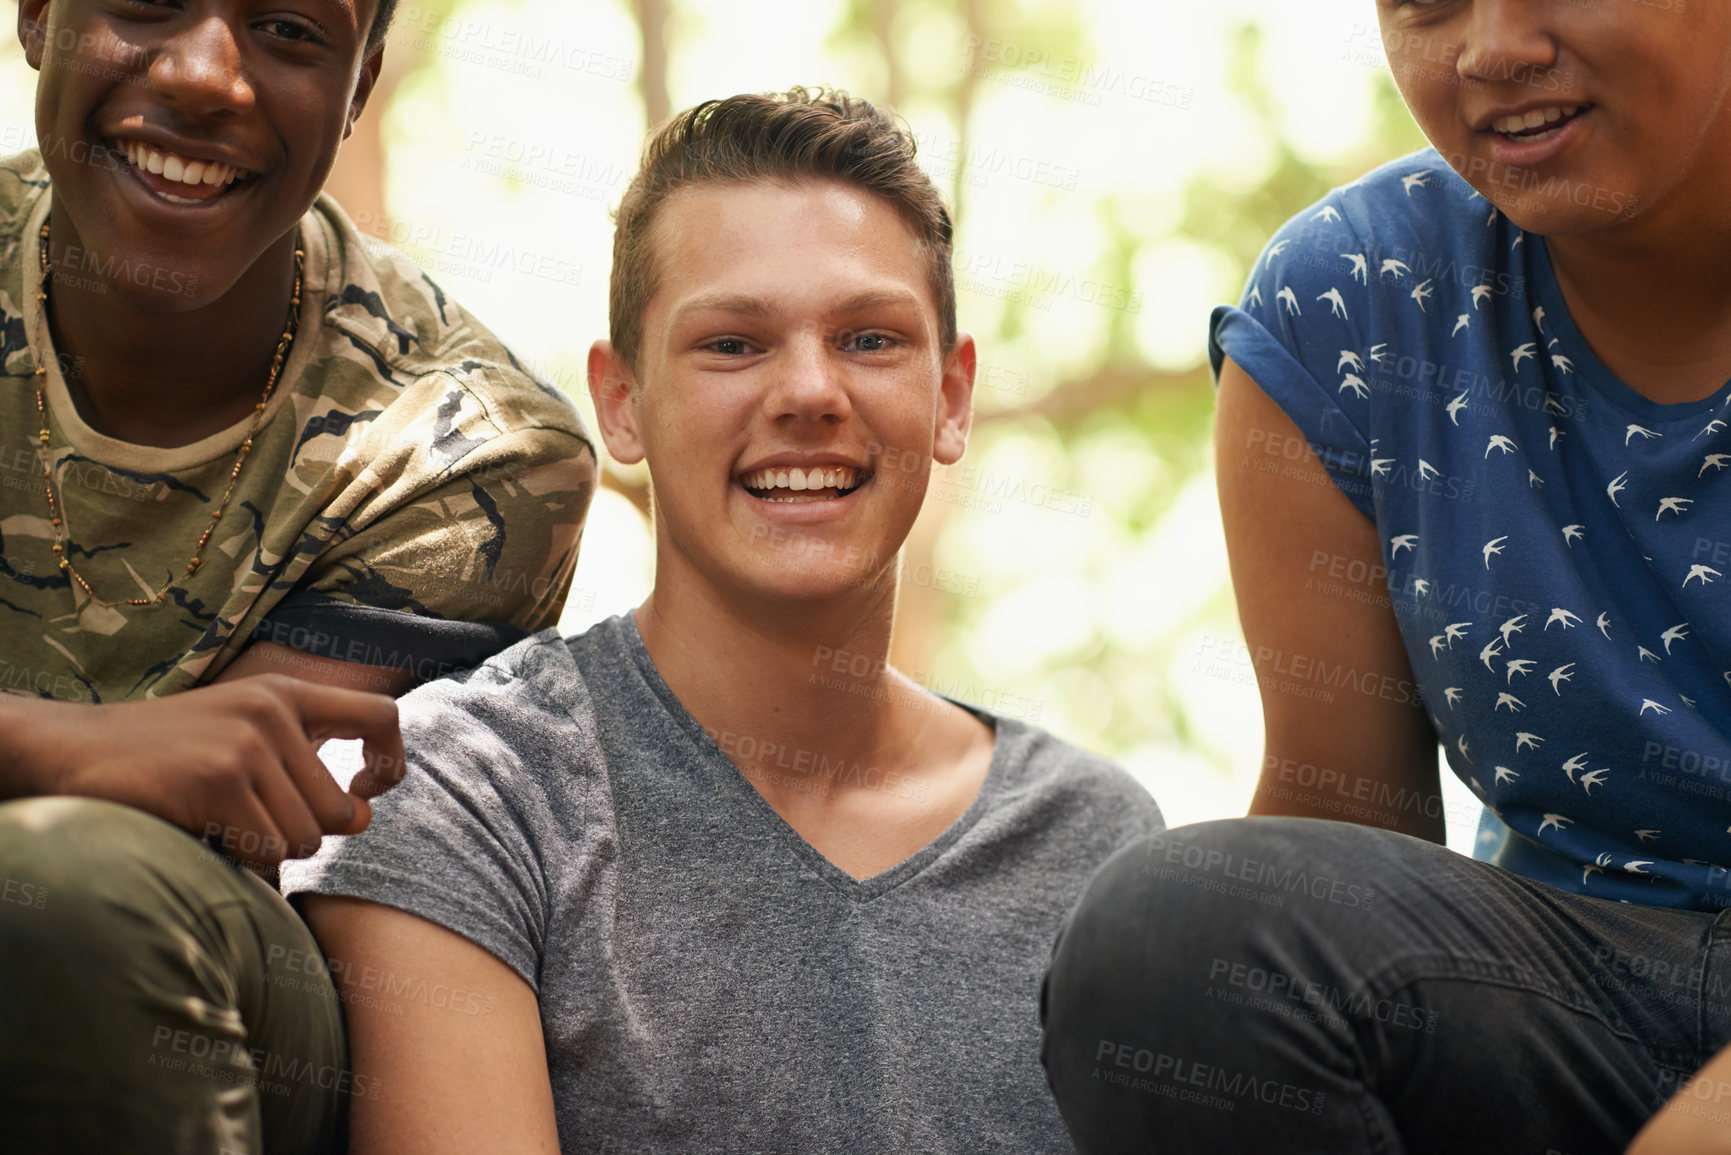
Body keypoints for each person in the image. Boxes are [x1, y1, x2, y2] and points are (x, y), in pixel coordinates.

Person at [280, 87, 1163, 1154]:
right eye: (734, 344)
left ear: (953, 396)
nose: (808, 391)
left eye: (871, 338)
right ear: (621, 403)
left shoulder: (1098, 848)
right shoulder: (464, 796)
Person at [1042, 3, 1731, 1154]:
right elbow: (1344, 840)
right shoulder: (1350, 302)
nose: (1493, 49)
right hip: (1574, 1012)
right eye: (1428, 2)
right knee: (1177, 934)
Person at [0, 1, 595, 1151]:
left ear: (362, 80)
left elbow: (212, 835)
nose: (210, 76)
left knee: (69, 897)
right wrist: (49, 746)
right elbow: (128, 774)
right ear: (36, 15)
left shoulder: (463, 451)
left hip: (200, 987)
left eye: (286, 28)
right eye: (143, 2)